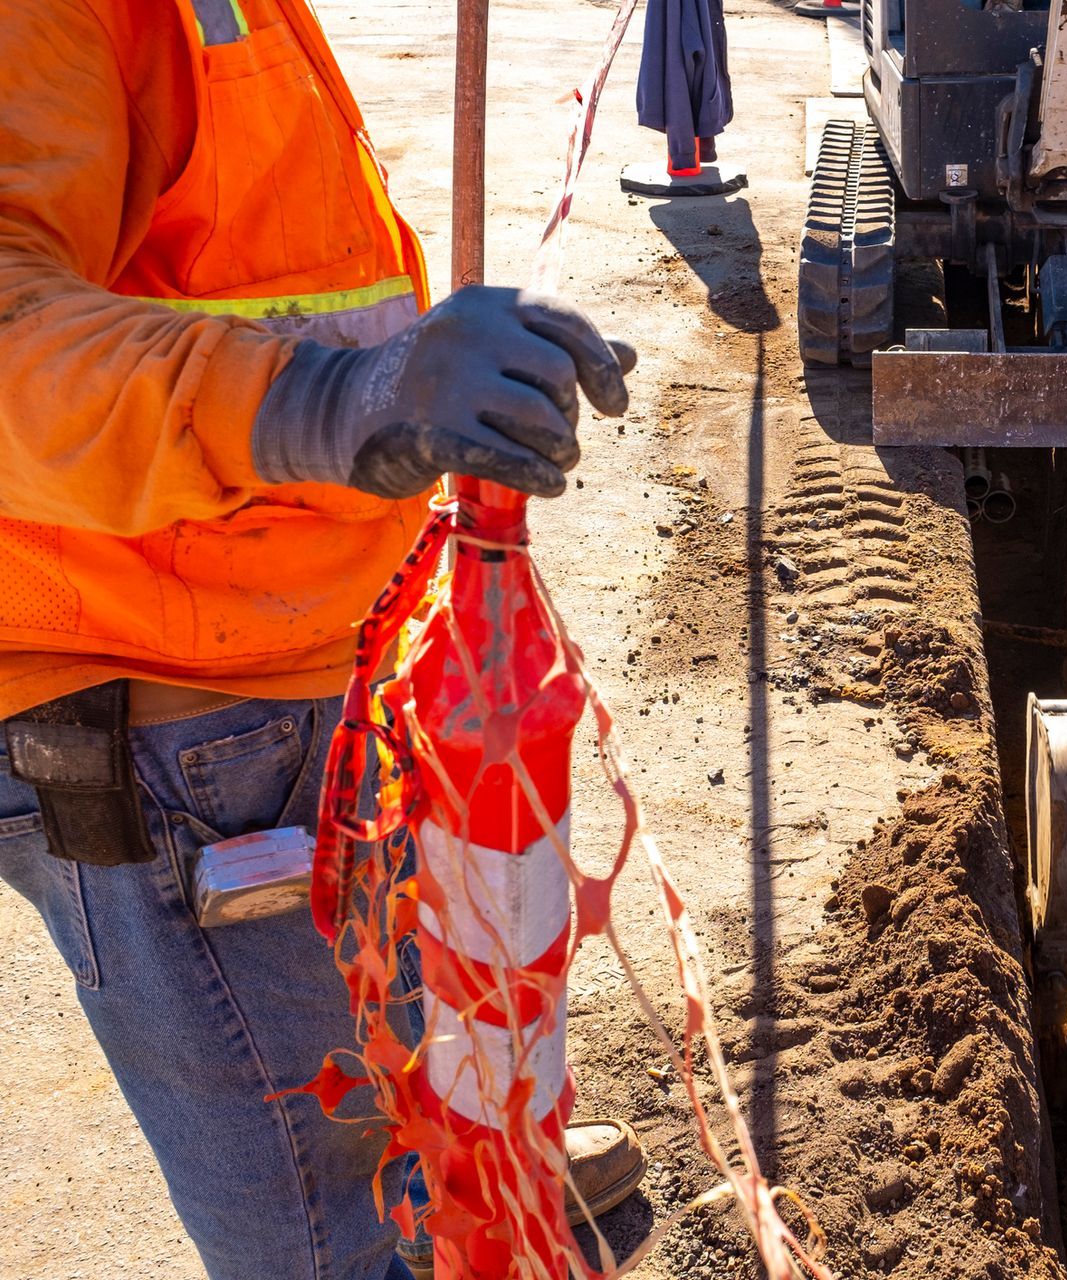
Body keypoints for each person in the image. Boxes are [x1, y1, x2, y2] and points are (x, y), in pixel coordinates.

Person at [0, 2, 644, 1276]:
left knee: (398, 1043)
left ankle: (468, 1171)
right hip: (168, 723)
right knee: (325, 1234)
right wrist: (334, 401)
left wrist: (409, 370)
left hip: (294, 670)